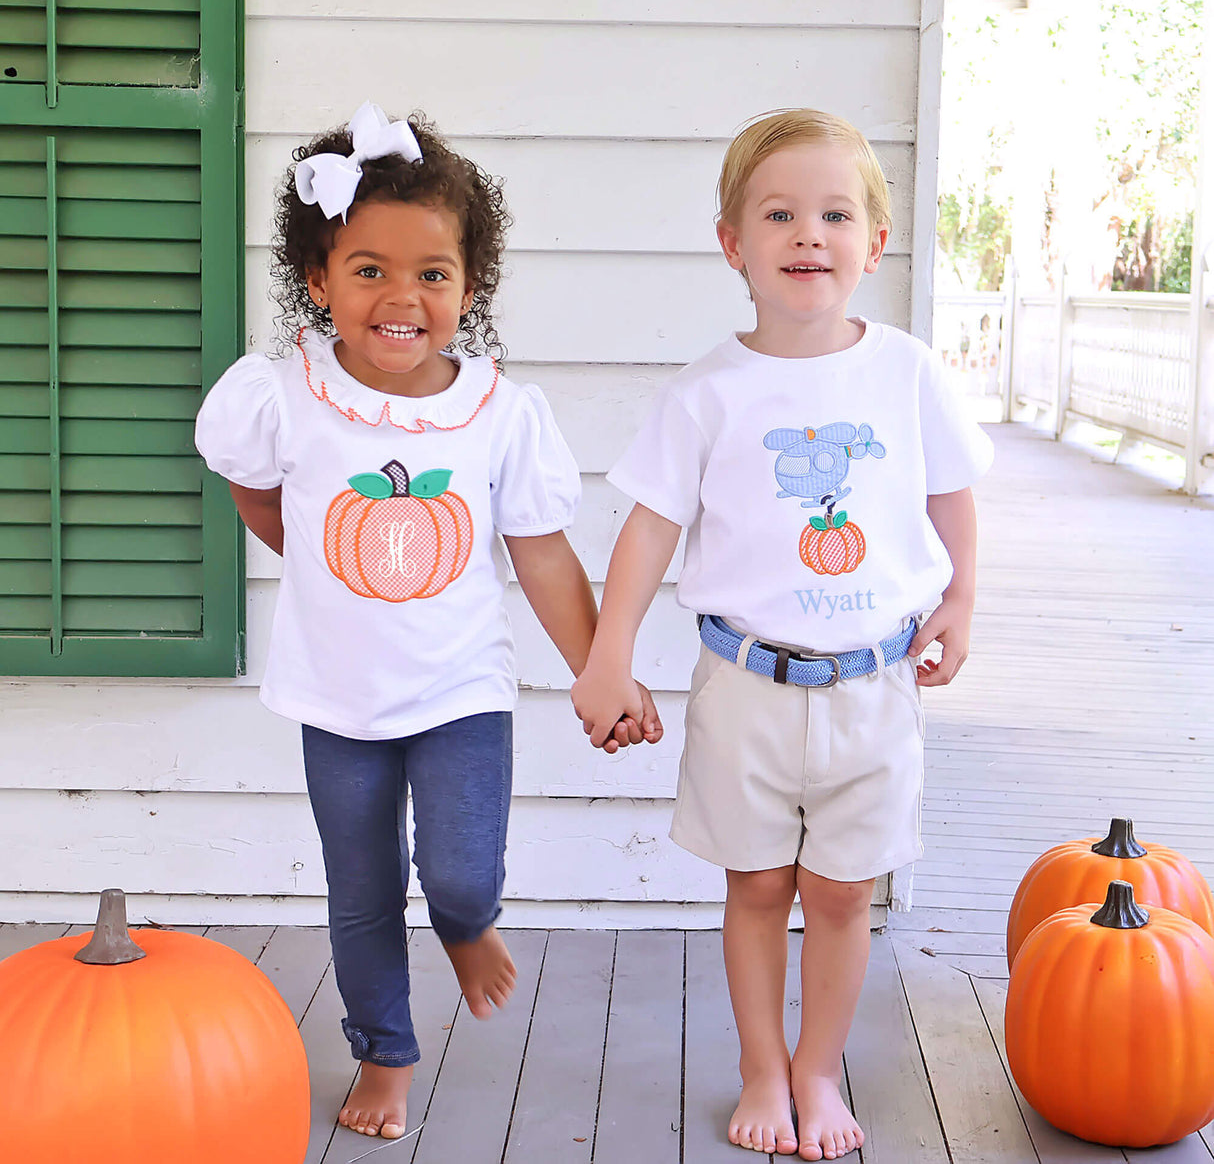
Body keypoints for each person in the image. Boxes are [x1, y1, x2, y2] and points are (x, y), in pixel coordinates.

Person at [195, 102, 661, 1141]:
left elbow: (540, 552)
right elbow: (259, 492)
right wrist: (323, 567)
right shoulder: (283, 395)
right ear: (317, 281)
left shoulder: (497, 413)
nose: (401, 296)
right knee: (358, 891)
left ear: (468, 286)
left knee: (455, 869)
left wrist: (603, 669)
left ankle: (463, 923)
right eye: (367, 270)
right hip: (333, 698)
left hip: (459, 694)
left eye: (432, 274)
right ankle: (385, 1052)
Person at [571, 109, 993, 1161]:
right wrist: (606, 650)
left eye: (834, 213)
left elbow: (950, 493)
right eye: (779, 213)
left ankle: (817, 1065)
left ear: (872, 243)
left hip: (872, 686)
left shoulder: (904, 374)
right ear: (733, 244)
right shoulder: (708, 392)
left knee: (842, 893)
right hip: (744, 686)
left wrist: (961, 598)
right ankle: (763, 1063)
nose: (808, 233)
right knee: (757, 885)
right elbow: (649, 526)